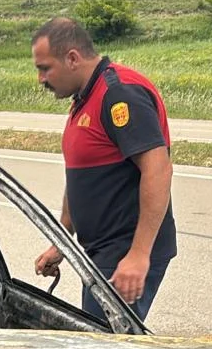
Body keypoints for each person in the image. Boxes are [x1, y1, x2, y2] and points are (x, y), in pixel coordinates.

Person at [30, 18, 175, 322]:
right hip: (100, 252)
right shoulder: (84, 99)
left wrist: (138, 255)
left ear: (72, 58)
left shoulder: (119, 95)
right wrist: (62, 242)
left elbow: (158, 170)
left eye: (45, 68)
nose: (41, 79)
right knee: (99, 341)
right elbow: (81, 176)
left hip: (124, 252)